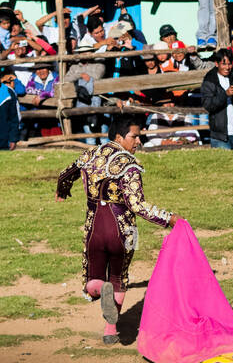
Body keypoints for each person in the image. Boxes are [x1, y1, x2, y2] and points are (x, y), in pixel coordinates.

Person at [55, 115, 178, 344]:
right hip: (125, 229)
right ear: (120, 137)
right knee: (120, 278)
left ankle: (102, 290)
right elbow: (136, 205)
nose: (139, 141)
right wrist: (168, 218)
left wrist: (62, 191)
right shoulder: (129, 164)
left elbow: (66, 174)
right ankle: (110, 330)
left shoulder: (90, 154)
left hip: (94, 226)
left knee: (92, 281)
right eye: (134, 136)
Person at [201, 49, 233, 149]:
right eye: (224, 64)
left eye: (229, 64)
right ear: (216, 64)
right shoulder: (210, 80)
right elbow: (208, 105)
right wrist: (225, 94)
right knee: (223, 164)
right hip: (220, 136)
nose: (227, 67)